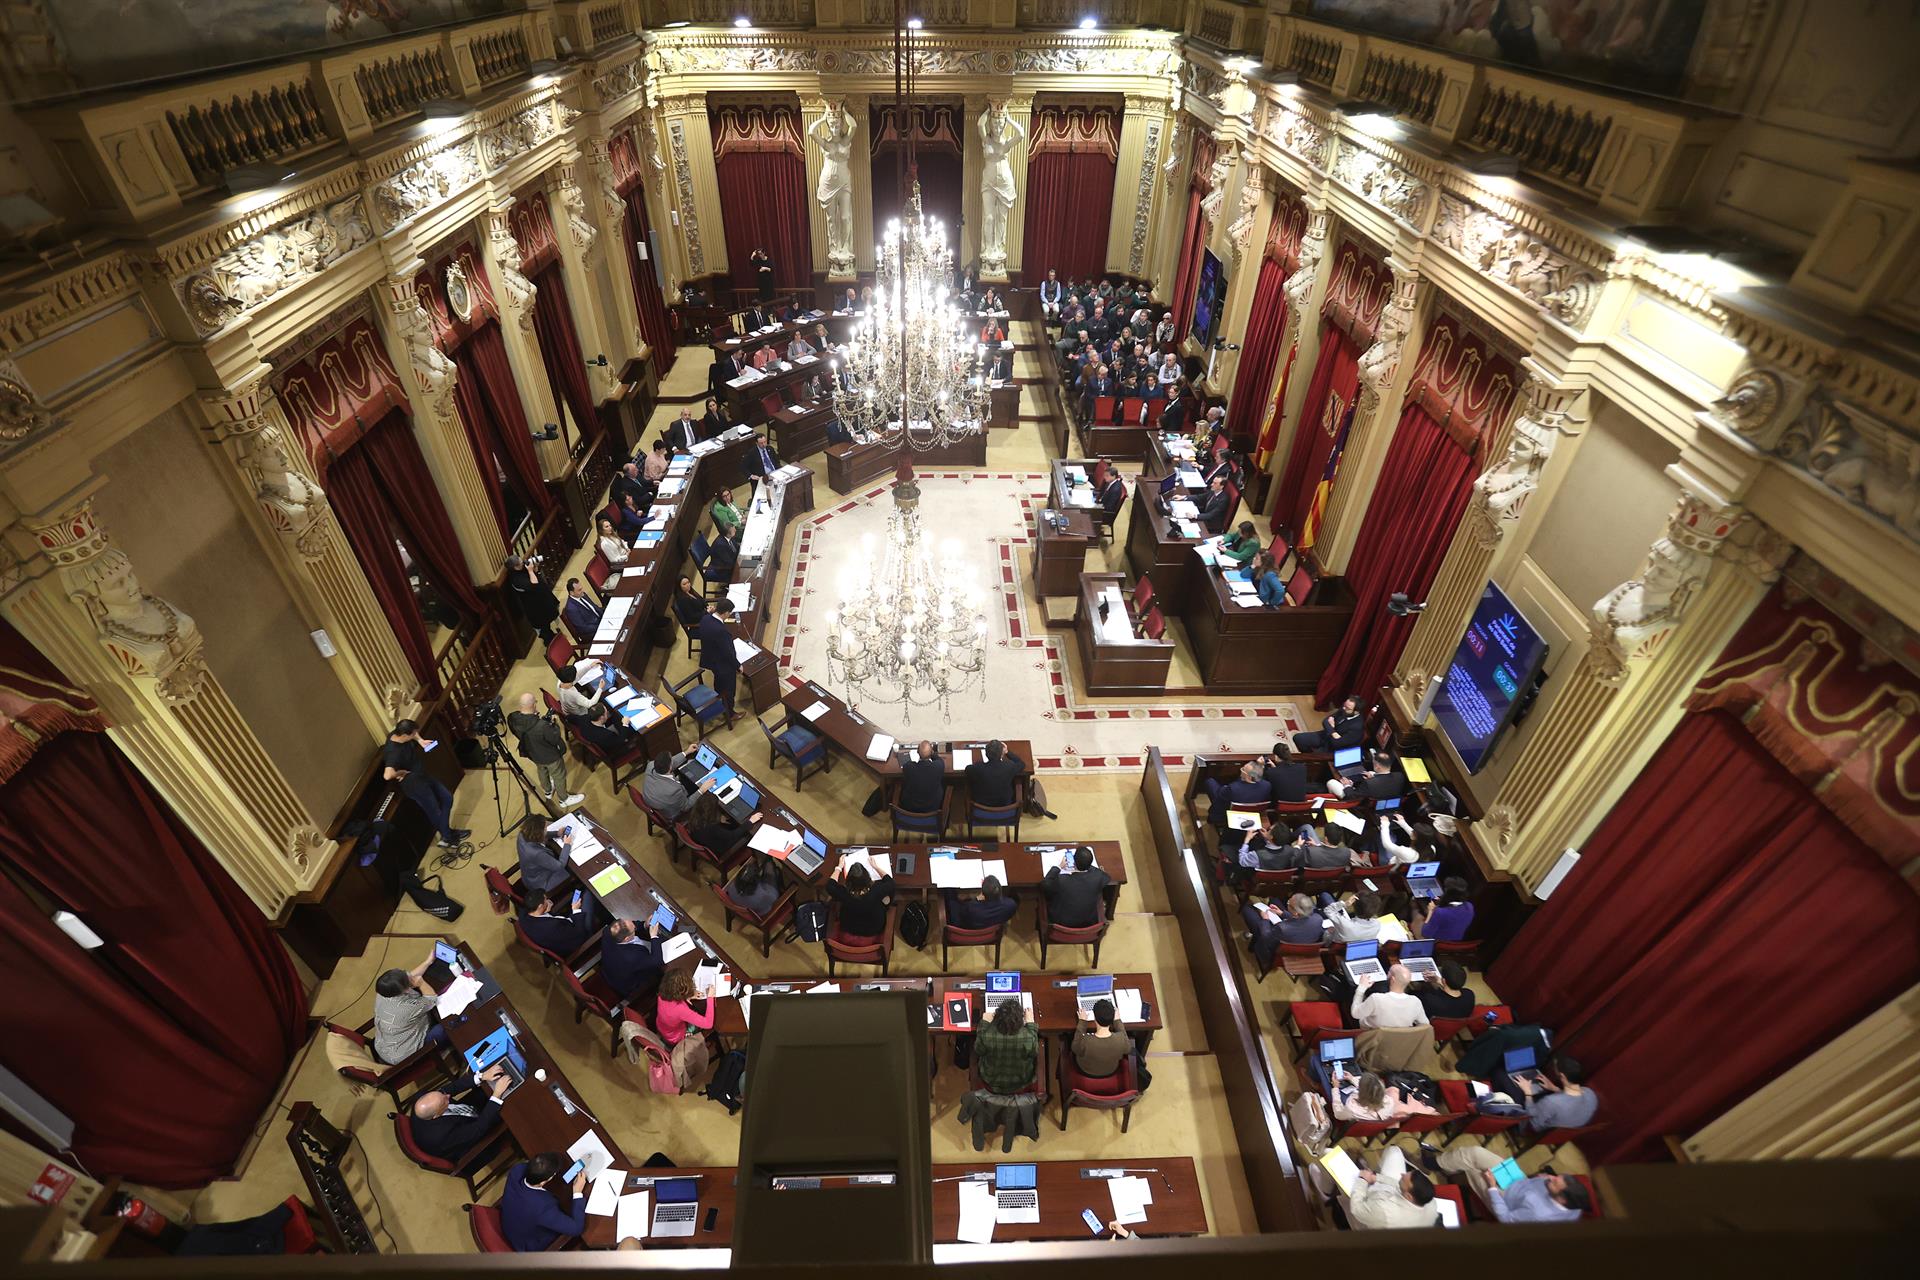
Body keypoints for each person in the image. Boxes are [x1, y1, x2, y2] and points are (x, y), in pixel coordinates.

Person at [1431, 1146, 1591, 1222]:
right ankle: (1440, 1163)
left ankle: (1431, 1165)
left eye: (1556, 1182)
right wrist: (1540, 1178)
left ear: (1562, 1199)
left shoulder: (1537, 1214)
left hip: (1502, 1198)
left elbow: (1505, 1217)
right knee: (1475, 1153)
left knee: (1471, 1165)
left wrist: (1492, 1186)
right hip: (1520, 1182)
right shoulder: (1575, 1207)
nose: (1551, 1178)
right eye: (1557, 1177)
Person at [382, 720, 467, 849]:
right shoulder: (394, 752)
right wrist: (401, 772)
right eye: (414, 734)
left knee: (447, 797)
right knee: (434, 811)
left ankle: (447, 834)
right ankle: (447, 837)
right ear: (405, 735)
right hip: (414, 785)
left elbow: (414, 734)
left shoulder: (396, 733)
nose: (416, 734)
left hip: (421, 775)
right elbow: (387, 775)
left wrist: (420, 740)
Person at [408, 1067, 511, 1159]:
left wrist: (482, 1076)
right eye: (445, 1101)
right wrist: (497, 1094)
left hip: (466, 1112)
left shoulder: (423, 1099)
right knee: (510, 1109)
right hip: (474, 1137)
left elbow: (451, 1088)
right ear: (436, 1115)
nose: (448, 1096)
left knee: (489, 1087)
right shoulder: (442, 1136)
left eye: (442, 1094)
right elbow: (479, 1128)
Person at [499, 1153, 588, 1252]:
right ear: (543, 1182)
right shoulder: (543, 1208)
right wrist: (577, 1192)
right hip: (527, 1243)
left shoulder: (517, 1170)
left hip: (510, 1221)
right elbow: (576, 1228)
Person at [507, 694, 581, 809]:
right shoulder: (541, 726)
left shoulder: (514, 719)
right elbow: (554, 738)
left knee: (542, 770)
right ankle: (564, 799)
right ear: (534, 704)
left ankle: (548, 791)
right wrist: (554, 725)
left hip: (533, 753)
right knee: (559, 776)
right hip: (550, 756)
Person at [372, 954, 446, 1063]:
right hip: (404, 1054)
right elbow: (431, 999)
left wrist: (428, 961)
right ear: (406, 990)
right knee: (444, 1029)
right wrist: (421, 983)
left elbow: (409, 976)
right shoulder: (405, 1009)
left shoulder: (384, 990)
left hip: (385, 1043)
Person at [1346, 1145, 1440, 1230]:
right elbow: (1398, 1183)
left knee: (1331, 1154)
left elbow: (1357, 1209)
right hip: (1386, 1199)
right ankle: (1370, 1173)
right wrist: (1376, 1177)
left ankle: (1330, 1194)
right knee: (1394, 1151)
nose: (1402, 1174)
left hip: (1369, 1220)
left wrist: (1362, 1180)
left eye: (1403, 1179)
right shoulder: (1430, 1201)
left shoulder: (1385, 1214)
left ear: (1408, 1196)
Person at [1241, 892, 1328, 968]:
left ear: (1296, 913)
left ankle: (1253, 945)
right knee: (1274, 900)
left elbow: (1266, 936)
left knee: (1247, 909)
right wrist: (1282, 913)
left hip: (1273, 954)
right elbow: (1302, 919)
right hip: (1298, 949)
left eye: (1289, 903)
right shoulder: (1318, 918)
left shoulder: (1282, 929)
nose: (1288, 902)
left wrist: (1265, 920)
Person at [974, 997, 1039, 1095]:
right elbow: (1034, 1052)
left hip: (991, 1080)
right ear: (1021, 1020)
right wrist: (1031, 1023)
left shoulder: (987, 1035)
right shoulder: (1028, 1037)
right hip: (1021, 1082)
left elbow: (978, 1050)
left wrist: (984, 1023)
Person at [1516, 1055, 1600, 1131]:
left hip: (1532, 1129)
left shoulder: (1552, 1101)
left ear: (1562, 1076)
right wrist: (1554, 1088)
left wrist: (1528, 1093)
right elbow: (1571, 1099)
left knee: (1516, 1092)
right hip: (1560, 1133)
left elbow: (1531, 1116)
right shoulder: (1590, 1094)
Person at [1042, 845, 1111, 929]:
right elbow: (1107, 877)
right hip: (1087, 923)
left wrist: (1059, 867)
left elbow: (1046, 884)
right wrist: (1087, 864)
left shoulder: (1062, 880)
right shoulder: (1098, 877)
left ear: (1073, 862)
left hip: (1061, 923)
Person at [1330, 1069, 1438, 1123]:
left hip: (1348, 1116)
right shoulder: (1389, 1102)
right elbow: (1371, 1090)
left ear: (1361, 1092)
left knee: (1334, 1087)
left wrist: (1335, 1088)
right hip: (1369, 1120)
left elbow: (1338, 1114)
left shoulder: (1351, 1106)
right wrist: (1352, 1079)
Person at [518, 887, 601, 956]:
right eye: (546, 900)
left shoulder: (523, 914)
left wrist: (546, 910)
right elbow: (579, 935)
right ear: (540, 906)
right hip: (579, 935)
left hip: (563, 927)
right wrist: (576, 910)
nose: (548, 900)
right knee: (589, 893)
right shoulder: (552, 927)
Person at [825, 860, 896, 937]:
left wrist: (839, 867)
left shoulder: (843, 893)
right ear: (867, 879)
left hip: (849, 927)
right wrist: (876, 867)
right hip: (874, 928)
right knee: (885, 900)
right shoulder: (877, 890)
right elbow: (890, 882)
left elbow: (830, 885)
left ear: (849, 880)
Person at [601, 917, 664, 1003]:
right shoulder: (632, 957)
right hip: (628, 986)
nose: (635, 927)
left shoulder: (609, 930)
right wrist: (654, 936)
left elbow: (632, 924)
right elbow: (657, 960)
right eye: (634, 929)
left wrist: (644, 924)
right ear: (626, 939)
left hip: (611, 971)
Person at [640, 750, 714, 822]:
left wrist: (686, 752)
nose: (673, 760)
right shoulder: (673, 791)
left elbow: (670, 763)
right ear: (670, 767)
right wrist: (702, 790)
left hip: (655, 799)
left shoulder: (651, 766)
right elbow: (686, 806)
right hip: (673, 812)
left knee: (686, 778)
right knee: (708, 797)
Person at [1353, 963, 1431, 1029]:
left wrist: (1361, 988)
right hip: (1401, 1043)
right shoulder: (1415, 1002)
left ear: (1392, 979)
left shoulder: (1376, 999)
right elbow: (1425, 1025)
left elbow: (1355, 1014)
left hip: (1372, 1039)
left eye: (1389, 972)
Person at [697, 598, 741, 712]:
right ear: (726, 613)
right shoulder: (721, 631)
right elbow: (728, 653)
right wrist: (737, 665)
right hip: (722, 664)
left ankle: (719, 695)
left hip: (710, 659)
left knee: (719, 682)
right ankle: (730, 713)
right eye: (730, 613)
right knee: (729, 689)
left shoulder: (705, 618)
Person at [686, 788, 757, 858]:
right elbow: (732, 836)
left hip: (703, 839)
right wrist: (750, 822)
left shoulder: (694, 814)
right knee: (748, 835)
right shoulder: (712, 827)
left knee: (732, 824)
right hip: (720, 848)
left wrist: (719, 820)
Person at [654, 968, 716, 1046]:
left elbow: (675, 994)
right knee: (699, 1021)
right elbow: (708, 1024)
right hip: (675, 1037)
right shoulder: (680, 1009)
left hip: (662, 1027)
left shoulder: (661, 994)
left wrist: (689, 995)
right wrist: (710, 997)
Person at [504, 555, 559, 642]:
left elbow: (536, 575)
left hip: (542, 599)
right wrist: (530, 570)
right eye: (521, 563)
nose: (523, 563)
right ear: (515, 567)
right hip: (535, 607)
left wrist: (535, 568)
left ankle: (553, 637)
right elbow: (534, 585)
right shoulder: (516, 580)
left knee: (549, 616)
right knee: (544, 626)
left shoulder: (522, 568)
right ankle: (549, 642)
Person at [514, 814, 572, 896]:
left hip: (529, 877)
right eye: (545, 828)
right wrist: (567, 845)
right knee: (573, 871)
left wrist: (557, 833)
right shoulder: (537, 853)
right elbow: (559, 866)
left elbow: (539, 834)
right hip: (541, 884)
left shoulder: (522, 834)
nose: (546, 829)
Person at [1072, 999, 1132, 1077]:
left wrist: (1082, 1022)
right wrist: (1118, 1021)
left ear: (1095, 1018)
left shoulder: (1086, 1041)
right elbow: (1128, 1049)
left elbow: (1075, 1048)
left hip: (1086, 1070)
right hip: (1111, 1070)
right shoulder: (1121, 1039)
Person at [965, 739, 1025, 808]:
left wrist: (978, 763)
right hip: (1005, 808)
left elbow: (967, 769)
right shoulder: (1009, 766)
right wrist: (1007, 752)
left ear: (986, 754)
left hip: (982, 808)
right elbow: (1021, 764)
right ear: (1001, 754)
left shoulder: (977, 768)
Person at [945, 874, 1018, 931]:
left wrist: (976, 899)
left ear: (983, 893)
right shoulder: (1011, 905)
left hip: (967, 927)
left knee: (949, 893)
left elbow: (962, 912)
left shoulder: (971, 907)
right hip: (991, 927)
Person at [1297, 695, 1365, 753]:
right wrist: (1334, 733)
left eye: (1348, 708)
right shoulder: (1344, 710)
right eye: (1344, 705)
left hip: (1333, 748)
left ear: (1356, 712)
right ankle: (1308, 754)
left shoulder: (1357, 728)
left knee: (1314, 756)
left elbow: (1336, 743)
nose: (1343, 708)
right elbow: (1325, 721)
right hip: (1326, 735)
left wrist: (1332, 729)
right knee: (1298, 738)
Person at [1414, 877, 1475, 941]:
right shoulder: (1469, 906)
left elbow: (1425, 933)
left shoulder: (1440, 912)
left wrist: (1430, 911)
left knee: (1416, 912)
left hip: (1437, 942)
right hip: (1455, 941)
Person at [896, 740, 945, 813]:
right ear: (931, 752)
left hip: (909, 808)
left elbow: (907, 764)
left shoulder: (909, 768)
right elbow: (938, 759)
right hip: (932, 808)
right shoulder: (939, 766)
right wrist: (931, 753)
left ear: (917, 752)